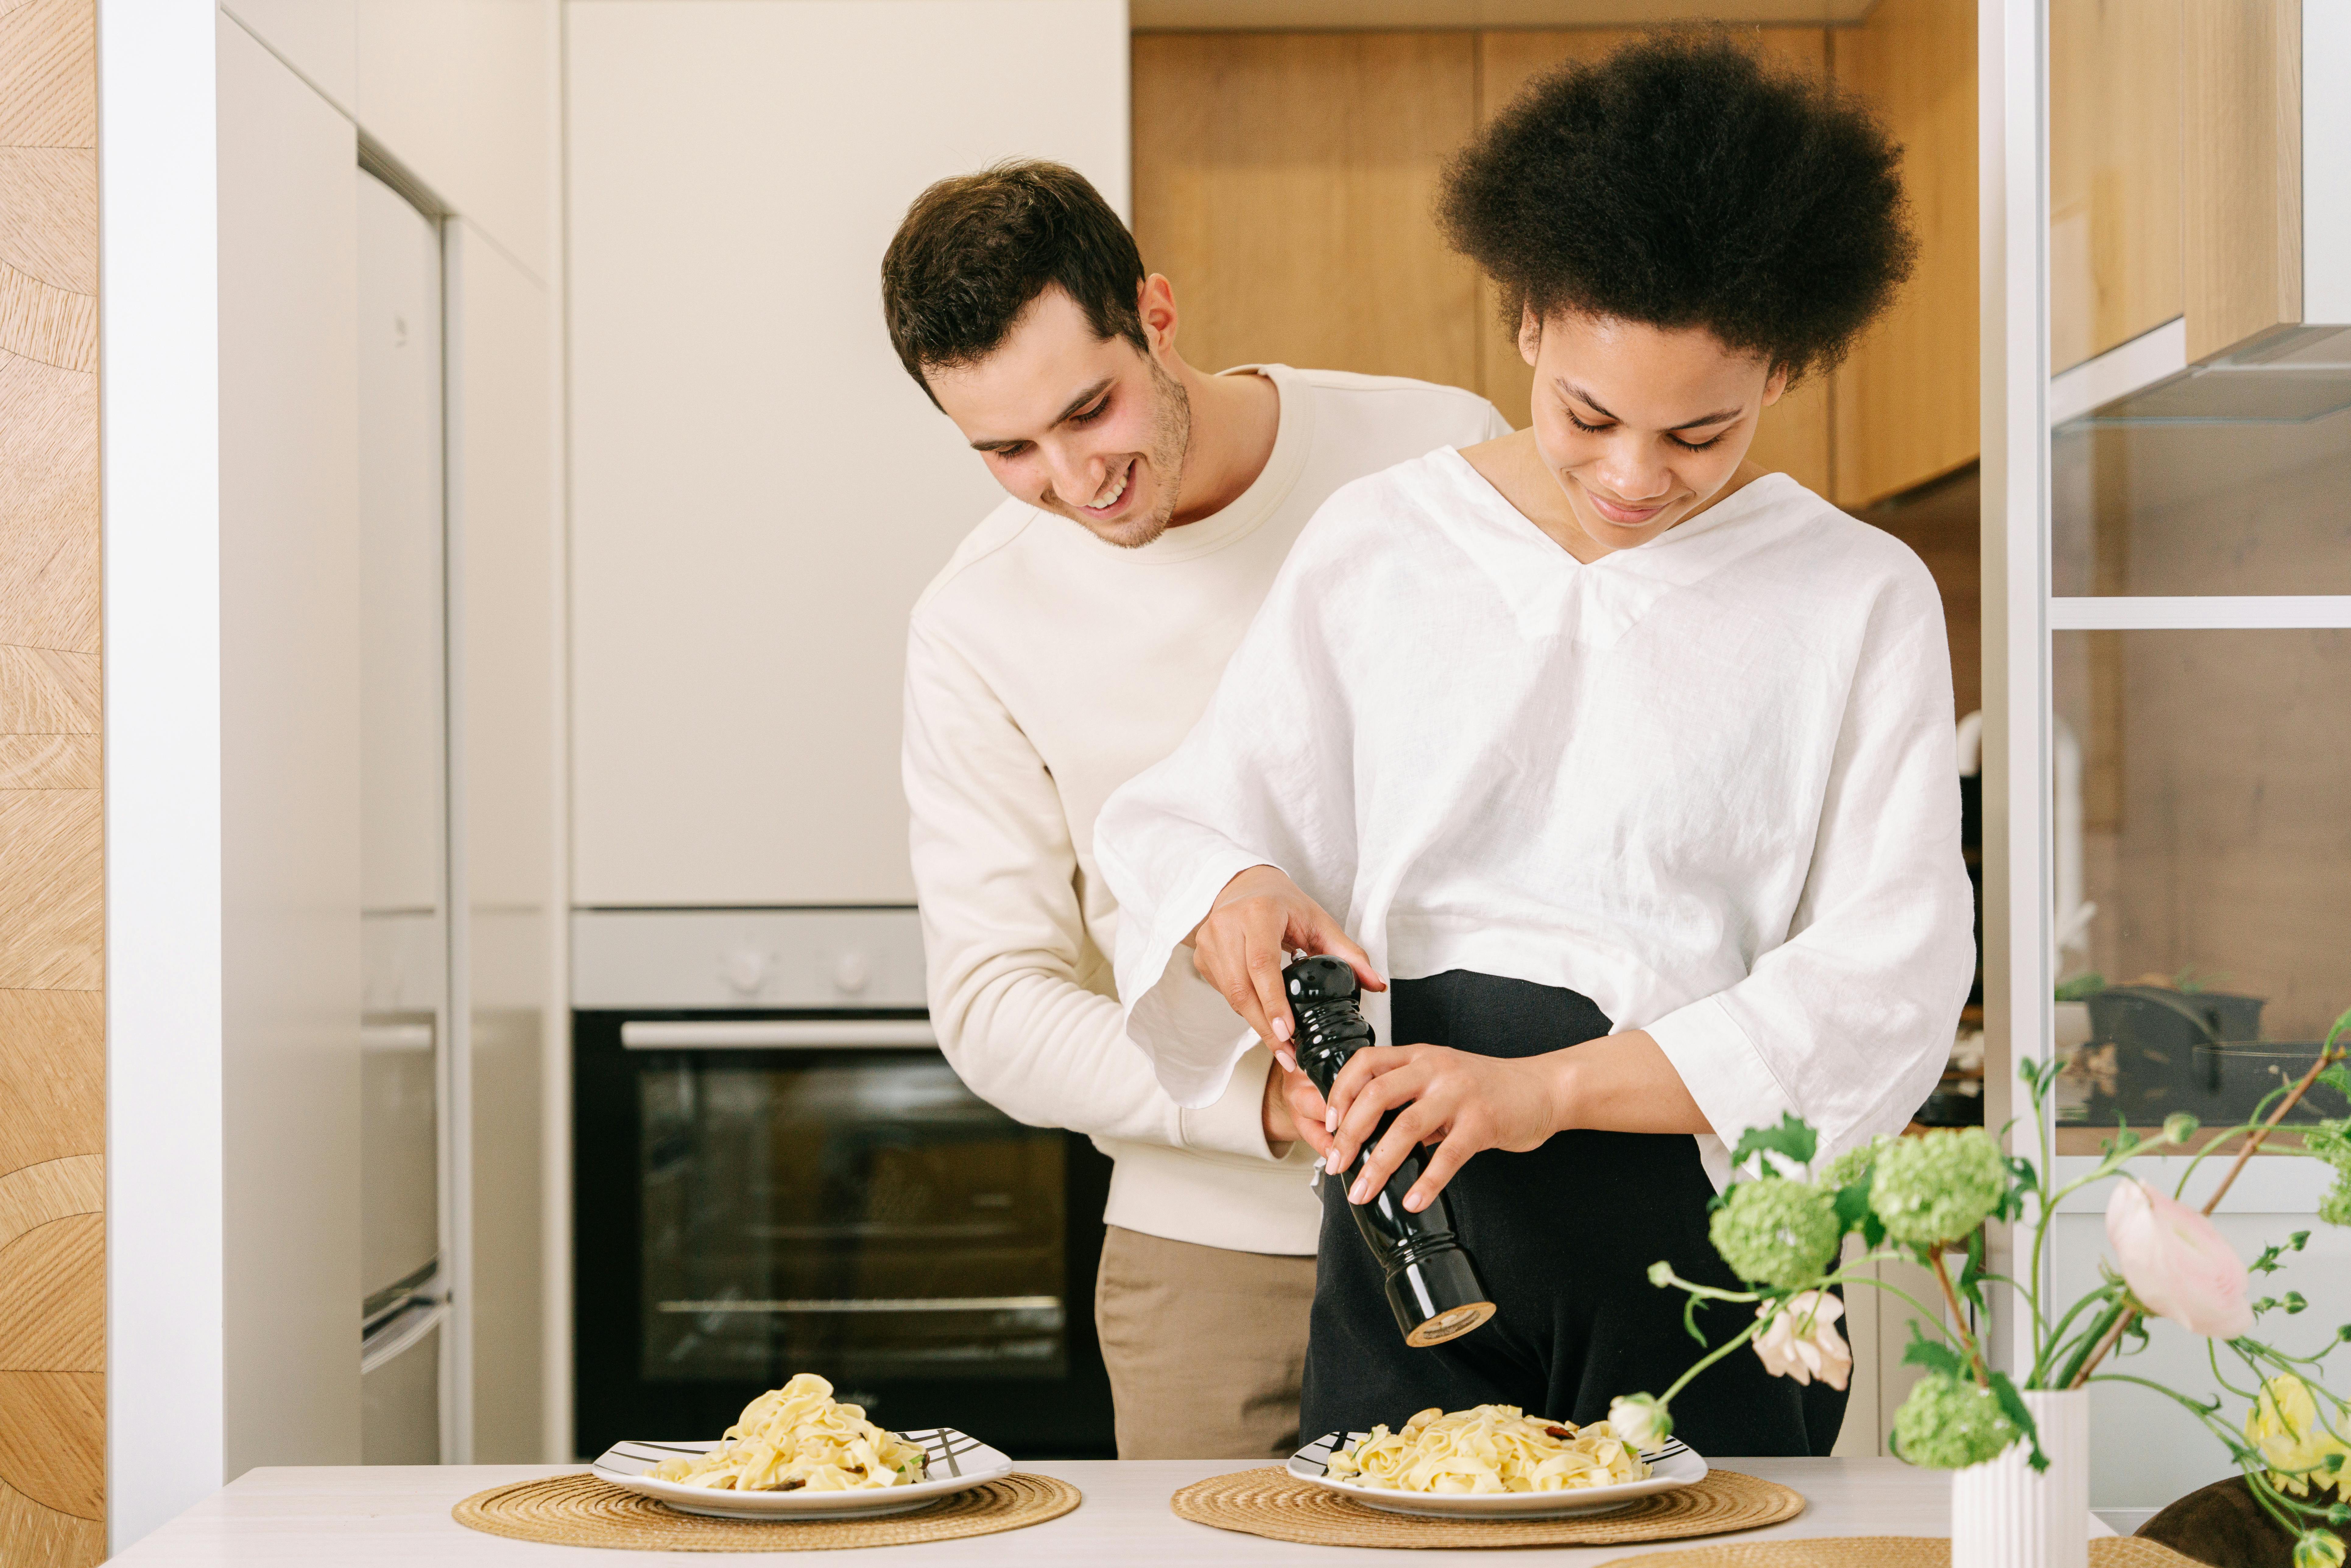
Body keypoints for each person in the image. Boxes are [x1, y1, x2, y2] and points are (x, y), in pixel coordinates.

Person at [1094, 32, 1974, 1458]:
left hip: (1698, 1238)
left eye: (1703, 429)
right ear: (1523, 326)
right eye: (1588, 414)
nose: (1636, 476)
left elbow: (1895, 966)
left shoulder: (1854, 593)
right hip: (1411, 1218)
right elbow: (1184, 821)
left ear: (1782, 368)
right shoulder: (1382, 544)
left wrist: (1543, 1092)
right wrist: (1229, 894)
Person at [882, 161, 1511, 1460]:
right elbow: (993, 999)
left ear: (1155, 314)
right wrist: (1269, 1110)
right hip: (1223, 1256)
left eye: (1089, 408)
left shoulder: (1433, 448)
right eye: (1005, 449)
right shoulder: (975, 622)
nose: (1071, 477)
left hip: (1519, 1199)